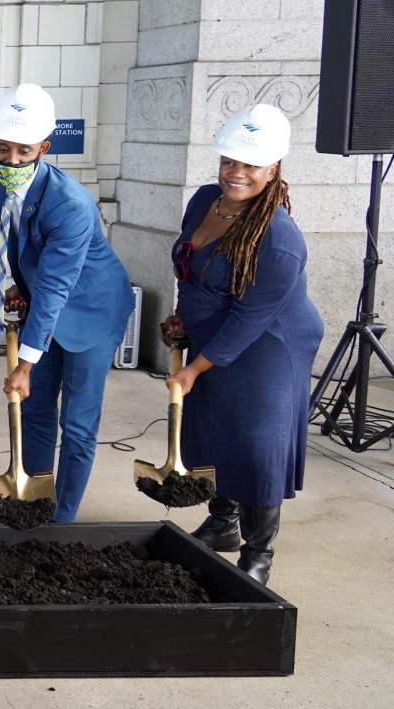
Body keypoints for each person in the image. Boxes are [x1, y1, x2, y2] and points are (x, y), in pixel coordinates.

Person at [169, 104, 323, 585]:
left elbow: (250, 319)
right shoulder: (204, 200)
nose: (236, 173)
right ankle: (223, 524)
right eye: (229, 161)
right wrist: (183, 316)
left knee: (258, 445)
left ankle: (259, 553)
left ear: (273, 168)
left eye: (250, 165)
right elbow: (192, 264)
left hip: (268, 349)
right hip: (215, 335)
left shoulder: (279, 240)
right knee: (216, 429)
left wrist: (194, 369)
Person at [0, 83, 133, 523]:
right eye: (2, 148)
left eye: (23, 151)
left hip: (92, 312)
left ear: (44, 148)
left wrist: (24, 365)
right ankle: (31, 505)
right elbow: (19, 236)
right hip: (45, 302)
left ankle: (60, 521)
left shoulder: (71, 205)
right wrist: (18, 284)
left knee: (79, 425)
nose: (11, 161)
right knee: (35, 411)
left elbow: (56, 287)